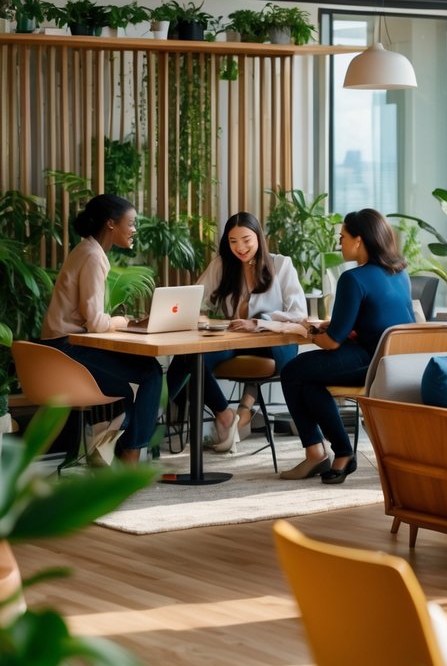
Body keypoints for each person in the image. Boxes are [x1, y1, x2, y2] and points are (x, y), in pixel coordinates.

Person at [279, 208, 414, 484]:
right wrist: (333, 325)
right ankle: (337, 454)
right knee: (309, 383)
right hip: (398, 361)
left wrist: (308, 332)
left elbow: (332, 342)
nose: (339, 243)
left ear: (359, 240)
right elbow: (376, 317)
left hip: (370, 361)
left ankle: (323, 453)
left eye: (342, 237)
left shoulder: (353, 278)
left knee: (292, 371)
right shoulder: (399, 273)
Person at [165, 212, 306, 453]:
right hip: (235, 340)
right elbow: (195, 299)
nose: (240, 247)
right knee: (188, 357)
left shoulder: (281, 265)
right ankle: (223, 415)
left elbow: (298, 314)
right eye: (233, 241)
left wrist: (260, 322)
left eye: (246, 240)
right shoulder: (222, 265)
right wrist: (198, 316)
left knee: (193, 360)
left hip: (273, 342)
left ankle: (244, 406)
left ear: (259, 237)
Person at [39, 194, 163, 465]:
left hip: (59, 347)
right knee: (151, 373)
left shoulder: (86, 250)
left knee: (130, 387)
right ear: (111, 224)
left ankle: (114, 448)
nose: (134, 230)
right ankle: (129, 453)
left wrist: (124, 322)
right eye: (131, 223)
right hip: (66, 348)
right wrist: (126, 322)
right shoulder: (93, 256)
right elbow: (95, 321)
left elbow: (89, 318)